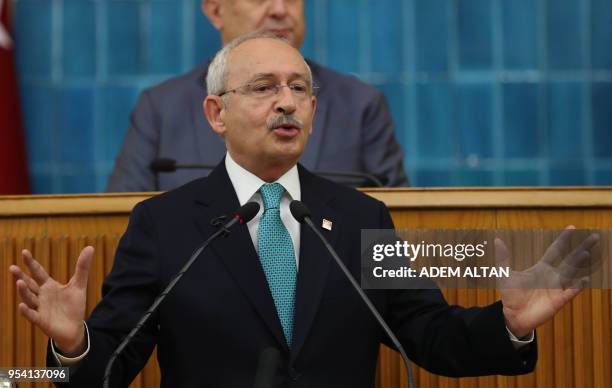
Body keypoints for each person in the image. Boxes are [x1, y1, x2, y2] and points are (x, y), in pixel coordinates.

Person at [10, 34, 595, 387]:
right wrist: (72, 346)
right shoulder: (163, 224)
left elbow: (428, 334)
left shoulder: (362, 216)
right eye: (264, 86)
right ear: (216, 113)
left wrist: (508, 323)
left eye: (300, 88)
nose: (286, 101)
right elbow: (111, 367)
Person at [106, 0, 409, 192]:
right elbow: (122, 220)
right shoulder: (161, 108)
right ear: (214, 9)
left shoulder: (359, 105)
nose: (279, 9)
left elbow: (393, 229)